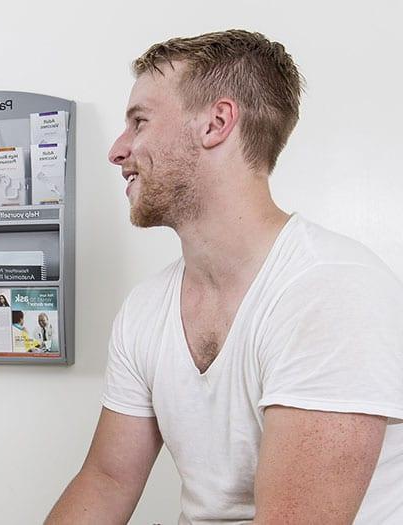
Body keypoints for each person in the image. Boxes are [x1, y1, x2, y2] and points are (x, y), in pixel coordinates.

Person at [47, 30, 403, 524]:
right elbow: (107, 481)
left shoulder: (332, 290)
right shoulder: (147, 307)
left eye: (139, 122)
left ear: (216, 124)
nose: (117, 149)